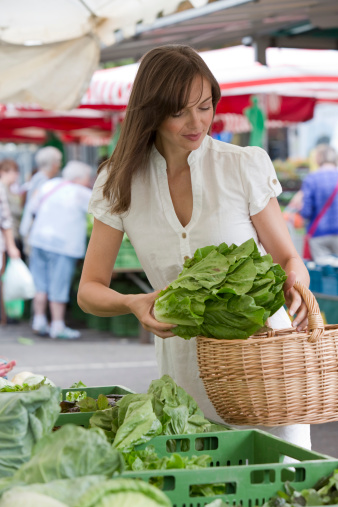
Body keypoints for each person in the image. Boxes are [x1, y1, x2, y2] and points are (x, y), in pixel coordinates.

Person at [77, 45, 311, 447]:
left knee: (280, 484)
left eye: (205, 106)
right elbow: (89, 291)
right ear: (151, 111)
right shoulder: (118, 183)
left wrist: (295, 282)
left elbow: (288, 256)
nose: (197, 122)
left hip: (264, 366)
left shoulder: (243, 165)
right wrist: (132, 303)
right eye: (179, 111)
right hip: (185, 374)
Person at [26, 161, 93, 339]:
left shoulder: (48, 185)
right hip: (63, 245)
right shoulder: (82, 193)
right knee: (59, 284)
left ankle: (39, 321)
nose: (89, 182)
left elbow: (32, 208)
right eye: (87, 178)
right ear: (78, 178)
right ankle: (57, 325)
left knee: (40, 284)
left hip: (39, 240)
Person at [301, 144, 338, 264]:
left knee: (325, 275)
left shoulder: (311, 179)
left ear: (319, 158)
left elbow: (306, 211)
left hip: (319, 234)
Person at [19, 146, 62, 249]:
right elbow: (35, 205)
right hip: (35, 232)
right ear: (53, 164)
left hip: (33, 230)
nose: (59, 165)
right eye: (59, 161)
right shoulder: (43, 180)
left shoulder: (38, 177)